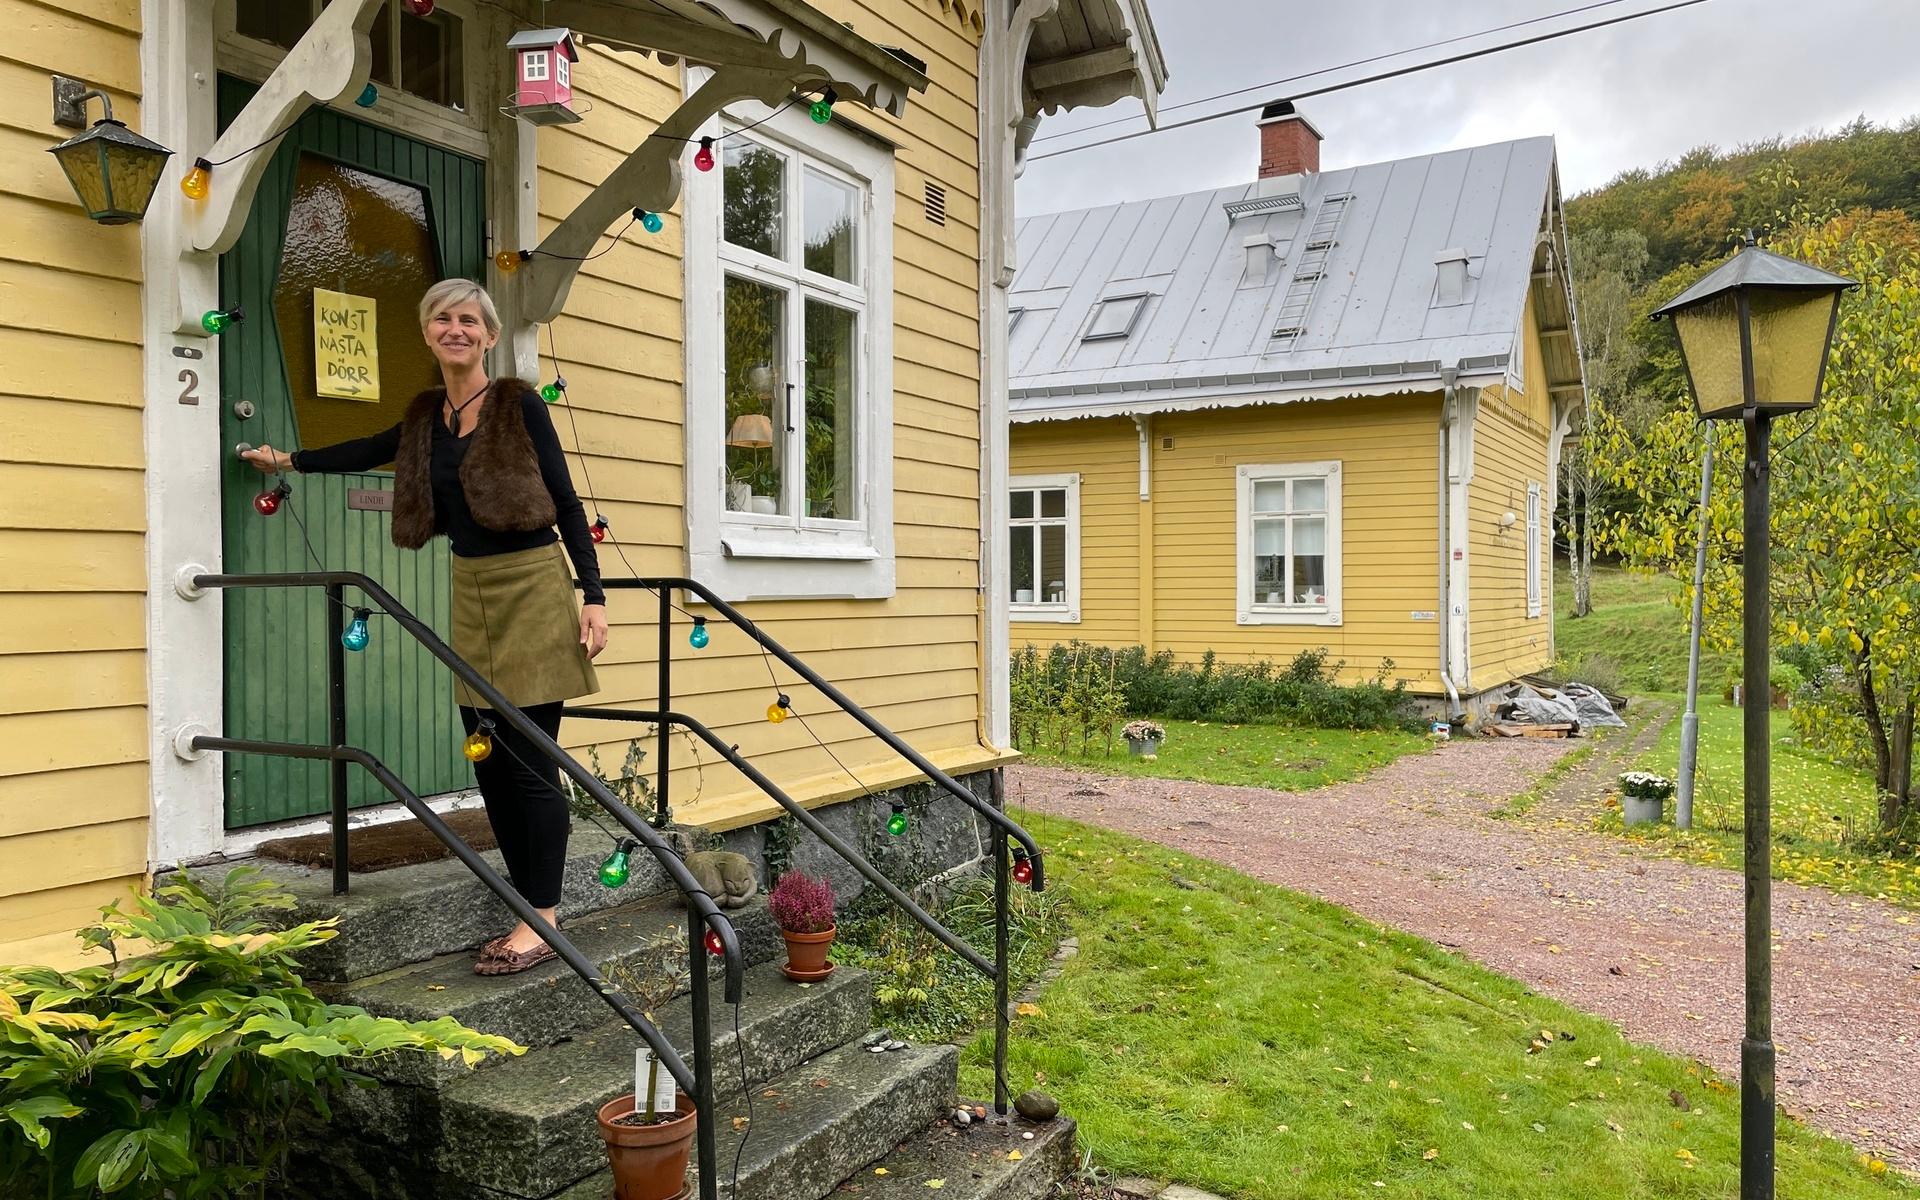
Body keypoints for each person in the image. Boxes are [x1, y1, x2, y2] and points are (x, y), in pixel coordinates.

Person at [244, 278, 608, 976]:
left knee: (530, 756)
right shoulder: (424, 418)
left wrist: (592, 595)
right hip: (469, 589)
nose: (457, 329)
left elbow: (565, 499)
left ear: (490, 335)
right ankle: (524, 906)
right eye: (443, 318)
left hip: (532, 585)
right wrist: (287, 459)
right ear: (427, 332)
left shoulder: (518, 404)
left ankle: (544, 918)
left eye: (469, 319)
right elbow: (365, 448)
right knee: (488, 754)